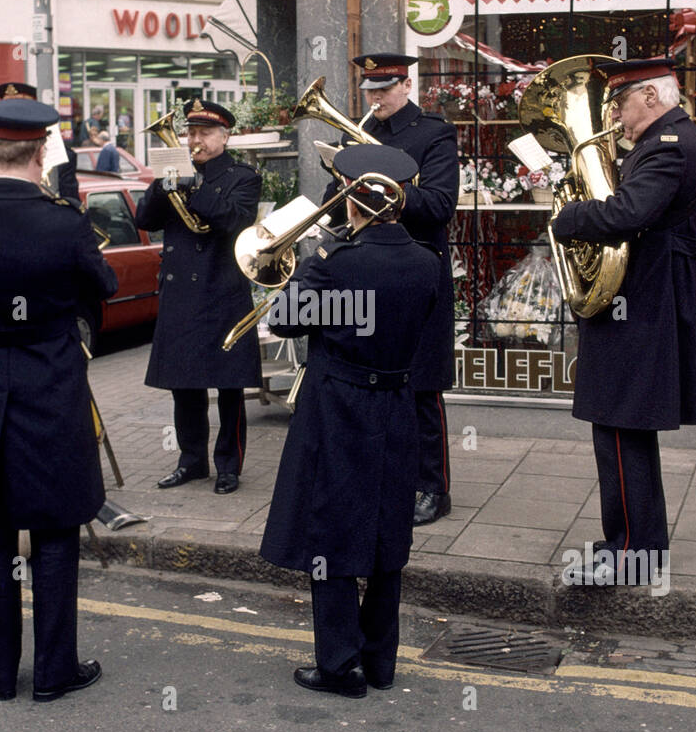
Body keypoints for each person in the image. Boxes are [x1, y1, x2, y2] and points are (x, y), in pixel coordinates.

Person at [0, 97, 117, 701]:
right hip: (49, 382)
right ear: (40, 151)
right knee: (56, 530)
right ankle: (56, 672)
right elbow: (103, 286)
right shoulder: (62, 219)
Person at [260, 144, 440, 697]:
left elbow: (284, 322)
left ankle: (339, 666)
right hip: (396, 407)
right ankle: (380, 663)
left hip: (338, 408)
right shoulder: (427, 262)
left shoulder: (335, 264)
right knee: (388, 532)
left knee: (330, 531)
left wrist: (315, 260)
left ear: (351, 201)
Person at [550, 57, 696, 586]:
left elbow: (626, 215)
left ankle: (632, 553)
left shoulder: (669, 147)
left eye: (620, 103)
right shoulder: (667, 140)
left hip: (645, 297)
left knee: (621, 423)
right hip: (646, 292)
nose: (615, 115)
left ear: (649, 95)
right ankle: (632, 541)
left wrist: (567, 217)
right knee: (623, 425)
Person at [338, 53, 459, 526]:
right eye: (369, 91)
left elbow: (440, 205)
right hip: (370, 268)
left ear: (406, 85)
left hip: (418, 270)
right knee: (377, 380)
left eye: (384, 89)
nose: (375, 99)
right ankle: (389, 477)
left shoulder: (434, 133)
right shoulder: (359, 133)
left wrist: (387, 189)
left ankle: (433, 487)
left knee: (422, 386)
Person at [134, 99, 262, 495]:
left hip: (222, 292)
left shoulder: (244, 176)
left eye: (204, 133)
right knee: (184, 385)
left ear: (224, 137)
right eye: (190, 132)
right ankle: (191, 461)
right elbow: (145, 220)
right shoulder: (176, 171)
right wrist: (162, 185)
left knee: (229, 387)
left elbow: (234, 221)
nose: (194, 140)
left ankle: (228, 466)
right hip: (182, 296)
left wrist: (197, 186)